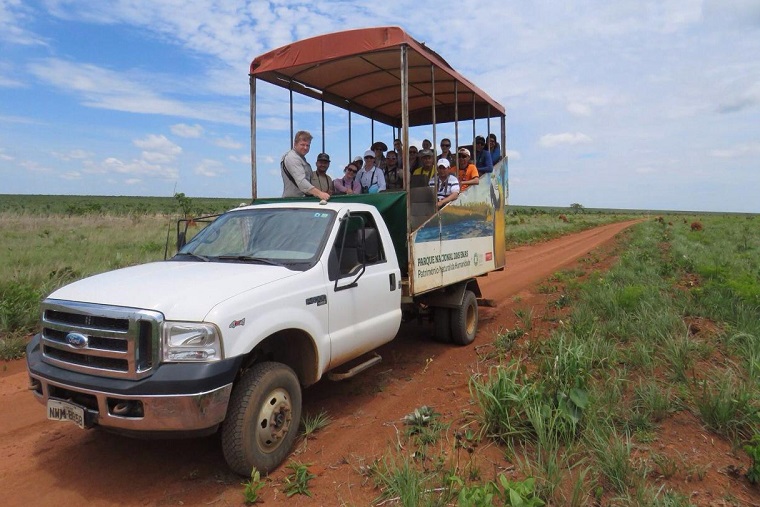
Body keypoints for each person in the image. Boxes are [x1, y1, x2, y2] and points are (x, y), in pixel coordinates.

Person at [280, 130, 330, 200]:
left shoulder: (301, 158)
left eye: (308, 145)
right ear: (295, 144)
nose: (305, 148)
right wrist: (320, 194)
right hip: (294, 202)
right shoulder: (292, 157)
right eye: (302, 145)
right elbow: (301, 182)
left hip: (301, 201)